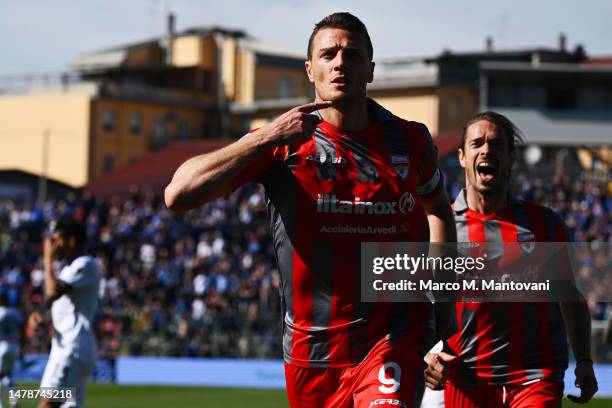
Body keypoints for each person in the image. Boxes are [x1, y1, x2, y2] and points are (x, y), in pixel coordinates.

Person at [165, 11, 456, 408]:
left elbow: (438, 209)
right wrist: (264, 136)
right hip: (312, 352)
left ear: (370, 69)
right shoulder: (284, 143)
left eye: (352, 55)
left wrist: (442, 307)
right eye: (329, 54)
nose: (340, 62)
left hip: (392, 339)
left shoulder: (410, 142)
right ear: (309, 69)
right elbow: (178, 194)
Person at [423, 111, 598, 407]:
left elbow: (570, 298)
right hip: (466, 380)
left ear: (512, 158)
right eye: (477, 143)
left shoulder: (546, 225)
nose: (487, 150)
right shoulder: (440, 228)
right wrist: (426, 356)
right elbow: (415, 308)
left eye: (496, 144)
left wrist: (583, 359)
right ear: (463, 157)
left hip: (534, 377)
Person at [39, 217, 101, 408]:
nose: (53, 245)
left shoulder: (85, 264)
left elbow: (52, 290)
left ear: (72, 240)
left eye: (57, 239)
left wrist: (47, 257)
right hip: (65, 347)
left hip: (72, 348)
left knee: (49, 404)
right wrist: (38, 315)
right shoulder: (69, 269)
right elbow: (52, 297)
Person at [0, 293, 23, 408]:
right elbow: (21, 329)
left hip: (1, 345)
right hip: (14, 345)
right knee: (8, 375)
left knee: (1, 376)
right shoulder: (15, 313)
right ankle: (14, 401)